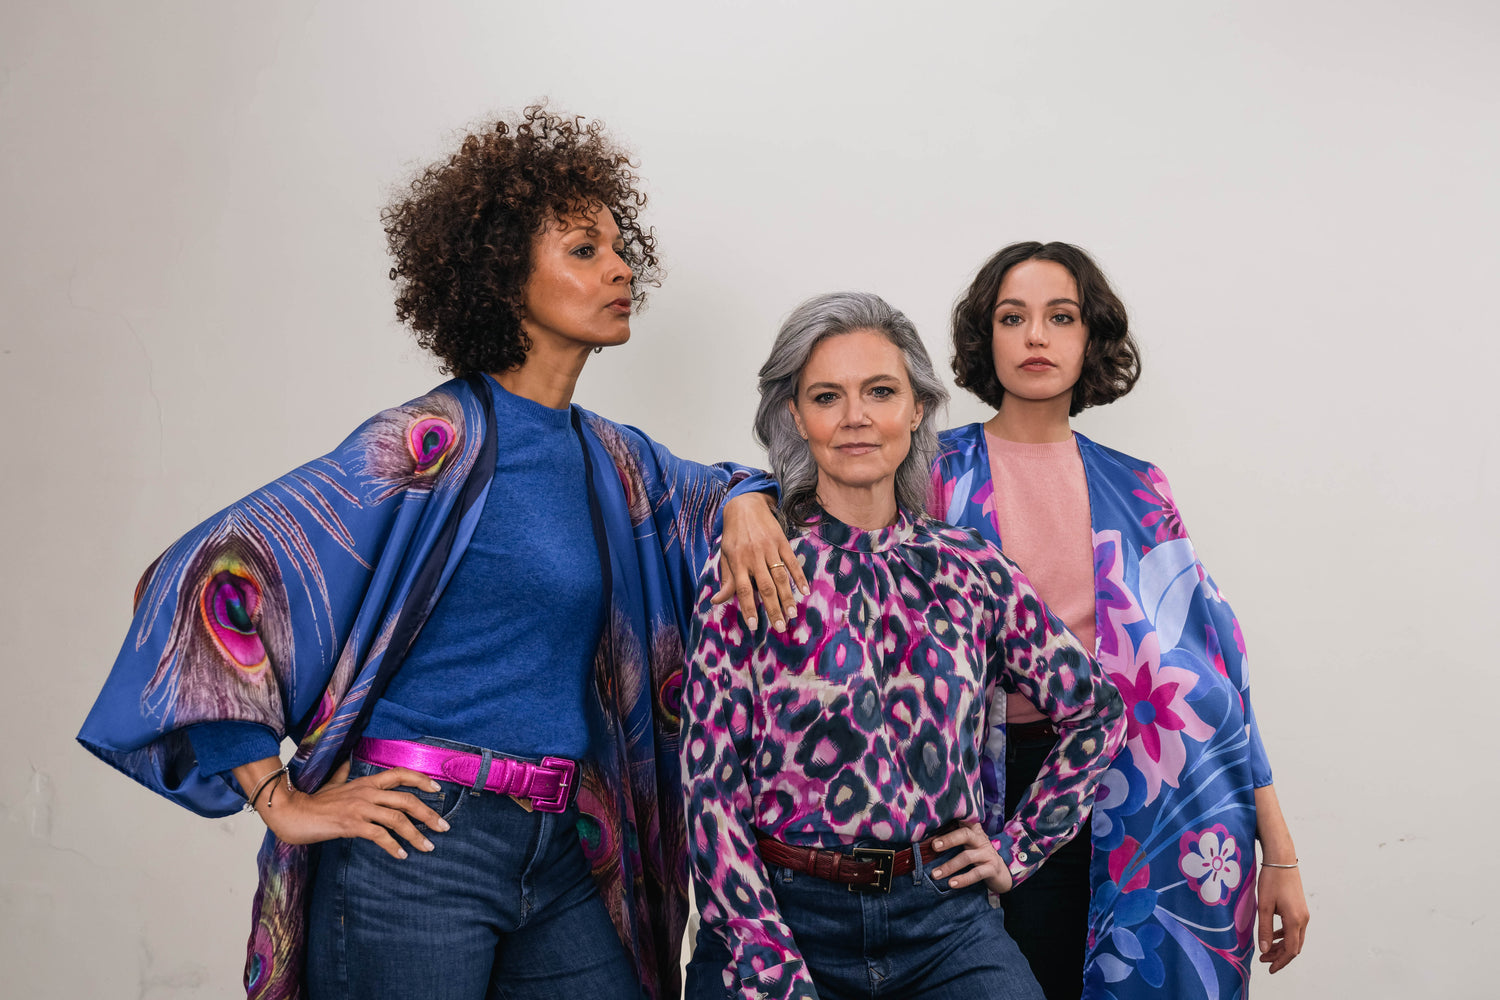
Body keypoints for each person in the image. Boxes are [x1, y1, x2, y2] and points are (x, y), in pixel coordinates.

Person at [76, 107, 804, 1000]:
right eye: (583, 249)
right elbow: (213, 584)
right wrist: (281, 798)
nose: (620, 269)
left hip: (566, 839)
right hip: (418, 849)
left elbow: (716, 493)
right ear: (503, 277)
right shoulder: (428, 443)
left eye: (620, 248)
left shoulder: (616, 461)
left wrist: (746, 500)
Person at [681, 292, 1127, 1000]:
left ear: (916, 408)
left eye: (880, 392)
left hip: (943, 918)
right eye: (828, 396)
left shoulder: (971, 567)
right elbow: (711, 791)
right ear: (797, 417)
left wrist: (1017, 850)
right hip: (780, 913)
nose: (856, 416)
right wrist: (770, 964)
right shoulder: (755, 567)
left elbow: (1096, 713)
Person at [928, 241, 1309, 1000]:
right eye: (1014, 317)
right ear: (985, 337)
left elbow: (1216, 678)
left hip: (1145, 797)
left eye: (1060, 317)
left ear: (1090, 337)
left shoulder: (1139, 488)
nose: (1036, 337)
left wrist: (1281, 853)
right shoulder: (929, 472)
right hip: (983, 799)